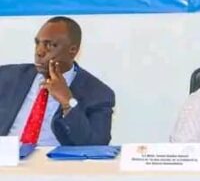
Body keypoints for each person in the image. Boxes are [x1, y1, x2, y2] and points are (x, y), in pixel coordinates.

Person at [0, 16, 115, 146]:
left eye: (49, 45)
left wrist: (67, 102)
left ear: (73, 50)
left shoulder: (98, 94)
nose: (39, 52)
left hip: (52, 157)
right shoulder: (6, 77)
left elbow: (96, 146)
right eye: (37, 43)